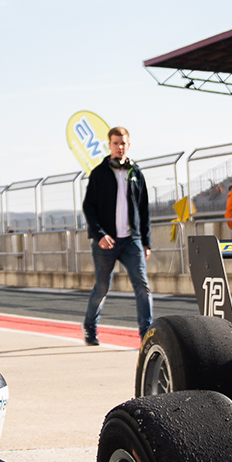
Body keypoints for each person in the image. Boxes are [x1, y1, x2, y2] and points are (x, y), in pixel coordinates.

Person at [80, 127, 153, 346]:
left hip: (132, 241)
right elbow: (88, 207)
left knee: (143, 286)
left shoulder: (136, 173)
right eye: (115, 143)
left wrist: (146, 241)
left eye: (123, 143)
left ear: (128, 145)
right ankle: (90, 327)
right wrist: (100, 234)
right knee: (102, 287)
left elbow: (143, 209)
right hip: (106, 242)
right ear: (109, 145)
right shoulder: (99, 173)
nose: (120, 147)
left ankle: (147, 335)